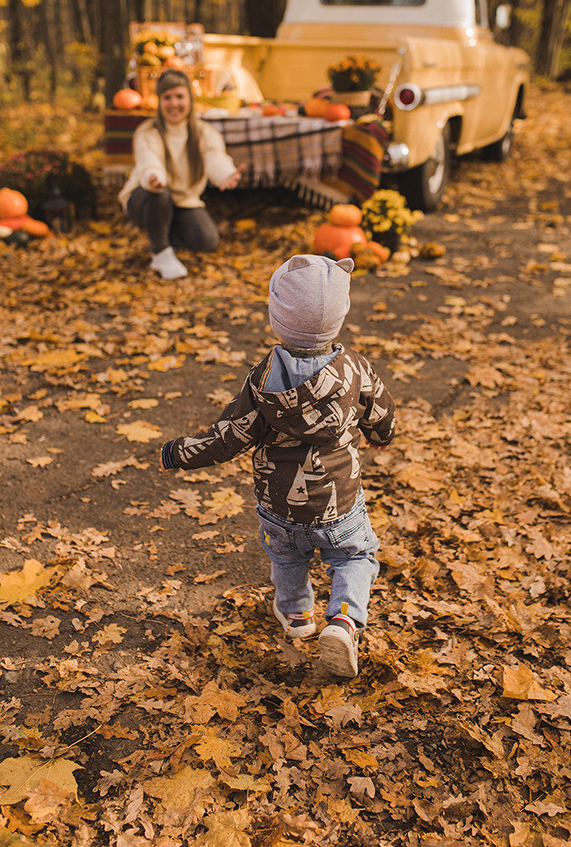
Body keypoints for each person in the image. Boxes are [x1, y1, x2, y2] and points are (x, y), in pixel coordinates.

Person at [159, 254, 395, 678]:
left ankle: (298, 616)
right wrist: (381, 436)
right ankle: (343, 619)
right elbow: (380, 411)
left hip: (279, 507)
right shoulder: (357, 370)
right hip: (339, 503)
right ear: (341, 314)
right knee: (356, 556)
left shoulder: (263, 379)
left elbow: (229, 435)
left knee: (287, 559)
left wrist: (179, 452)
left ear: (277, 316)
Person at [119, 69, 243, 280]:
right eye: (167, 97)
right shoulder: (148, 131)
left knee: (207, 241)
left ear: (190, 99)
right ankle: (160, 252)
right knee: (159, 194)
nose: (174, 103)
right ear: (159, 101)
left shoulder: (204, 132)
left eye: (179, 96)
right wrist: (153, 176)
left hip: (183, 201)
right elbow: (148, 159)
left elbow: (215, 157)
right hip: (146, 197)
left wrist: (225, 174)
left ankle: (161, 230)